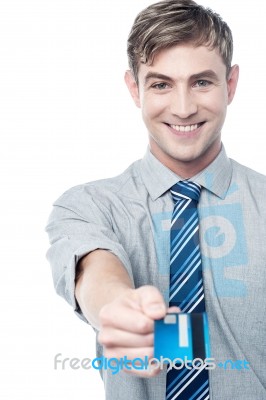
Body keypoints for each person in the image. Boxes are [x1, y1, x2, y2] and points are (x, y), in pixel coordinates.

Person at [46, 0, 266, 399]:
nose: (183, 108)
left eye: (202, 82)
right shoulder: (89, 205)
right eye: (161, 84)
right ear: (135, 89)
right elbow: (94, 269)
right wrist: (118, 308)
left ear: (230, 85)